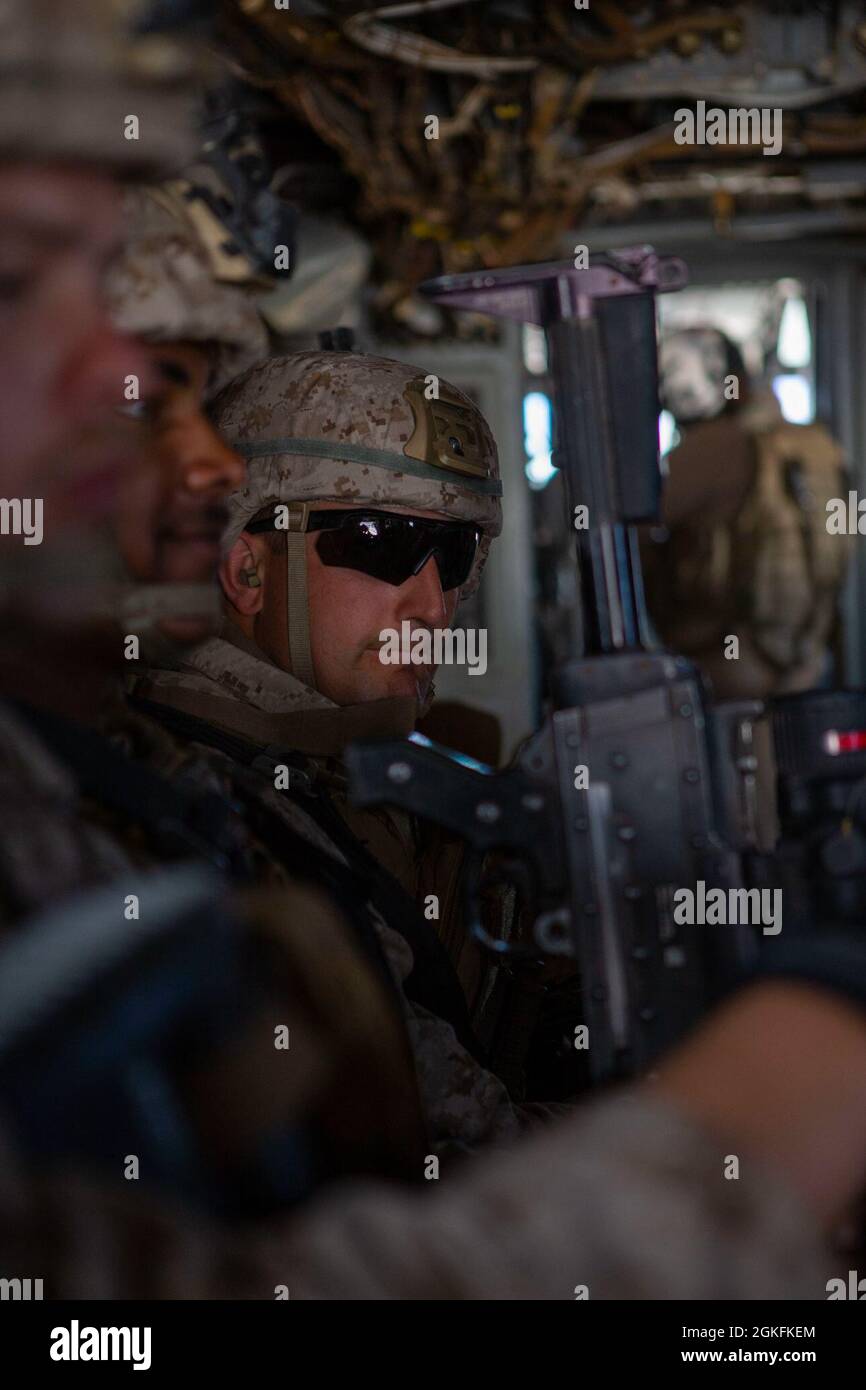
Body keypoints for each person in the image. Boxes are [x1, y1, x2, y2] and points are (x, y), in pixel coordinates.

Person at [641, 325, 850, 700]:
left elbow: (632, 519)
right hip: (806, 653)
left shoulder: (713, 446)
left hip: (733, 658)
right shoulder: (802, 442)